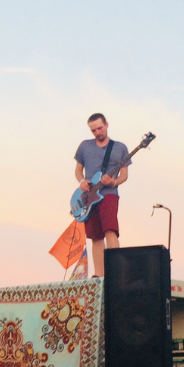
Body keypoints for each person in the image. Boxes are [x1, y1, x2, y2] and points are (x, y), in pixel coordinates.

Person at [74, 111, 130, 278]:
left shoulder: (120, 147)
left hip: (109, 194)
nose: (98, 132)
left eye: (100, 128)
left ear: (106, 125)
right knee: (95, 236)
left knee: (110, 230)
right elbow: (78, 170)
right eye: (94, 130)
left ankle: (115, 272)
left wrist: (113, 182)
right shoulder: (84, 146)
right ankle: (99, 274)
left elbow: (124, 175)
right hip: (89, 197)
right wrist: (82, 181)